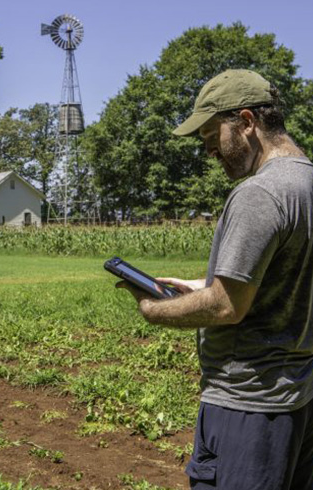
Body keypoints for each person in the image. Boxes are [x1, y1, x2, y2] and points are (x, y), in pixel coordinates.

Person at [117, 69, 313, 490]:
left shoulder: (259, 194)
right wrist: (199, 285)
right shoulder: (306, 181)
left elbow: (227, 306)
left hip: (247, 406)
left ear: (246, 122)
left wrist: (155, 309)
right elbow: (285, 274)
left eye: (211, 137)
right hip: (297, 399)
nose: (210, 151)